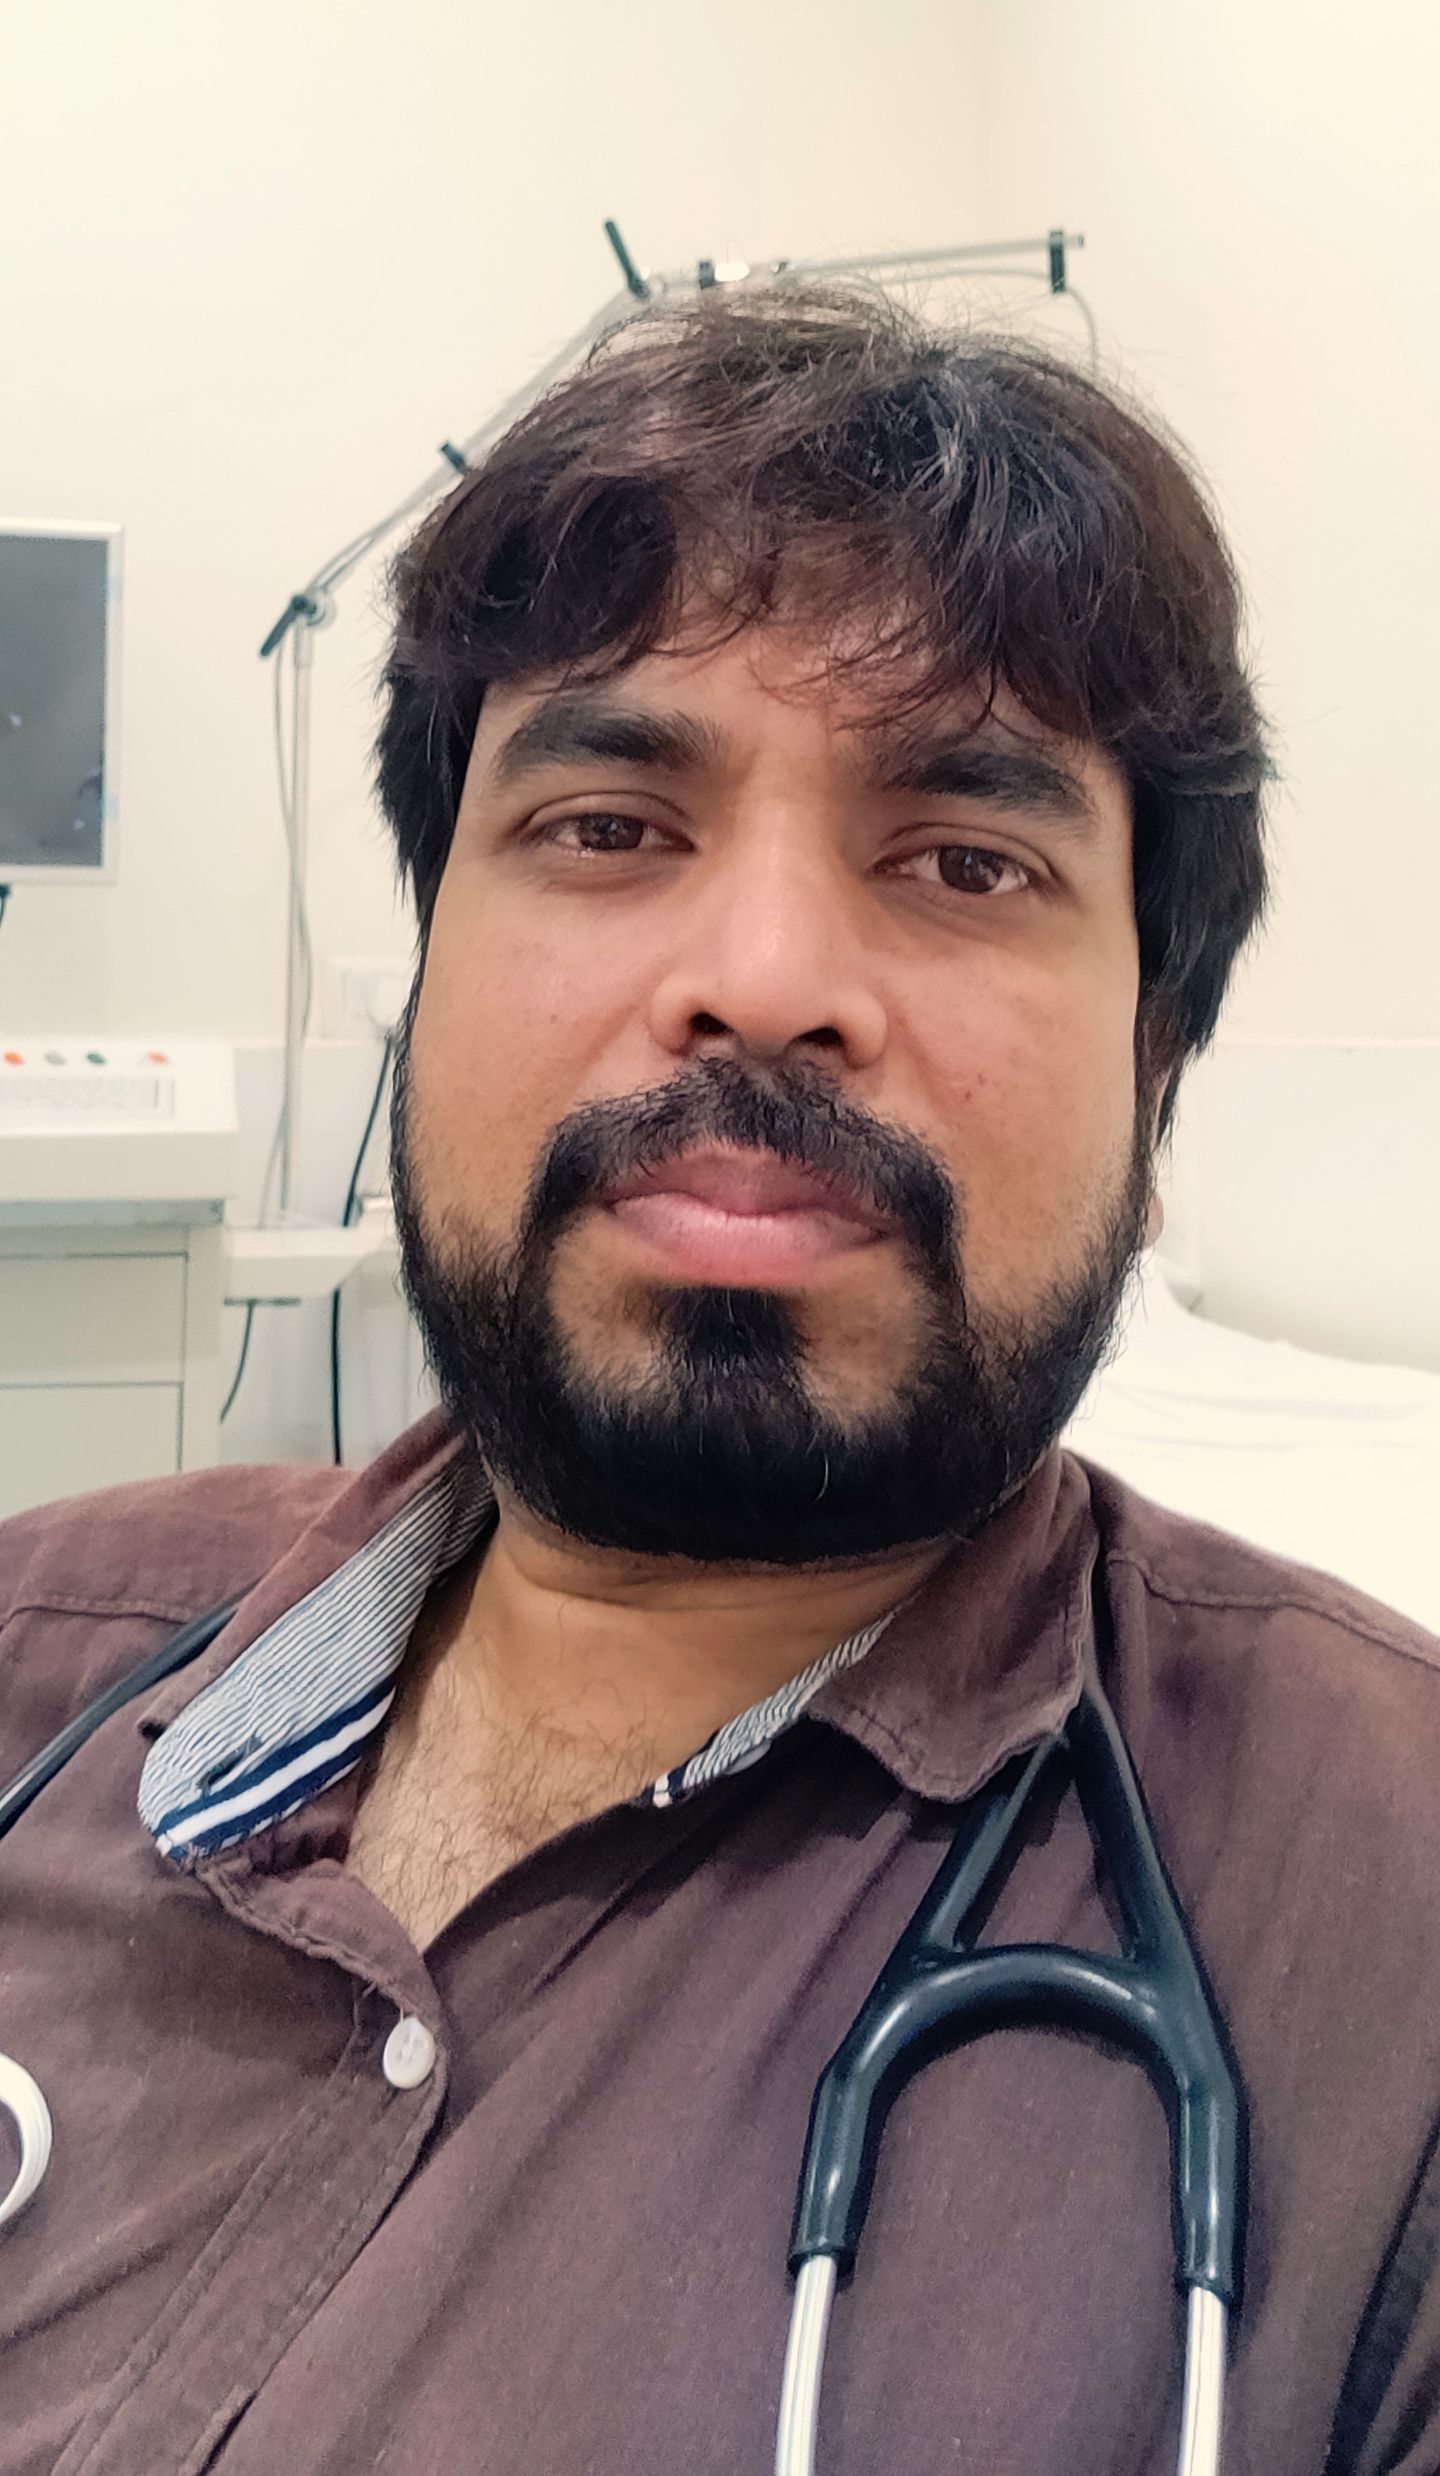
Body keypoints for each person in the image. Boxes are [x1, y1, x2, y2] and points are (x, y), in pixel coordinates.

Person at [1, 286, 1438, 2476]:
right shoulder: (36, 1651)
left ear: (1157, 1080)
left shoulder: (1389, 1934)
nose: (762, 982)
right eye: (607, 826)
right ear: (428, 973)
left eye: (965, 860)